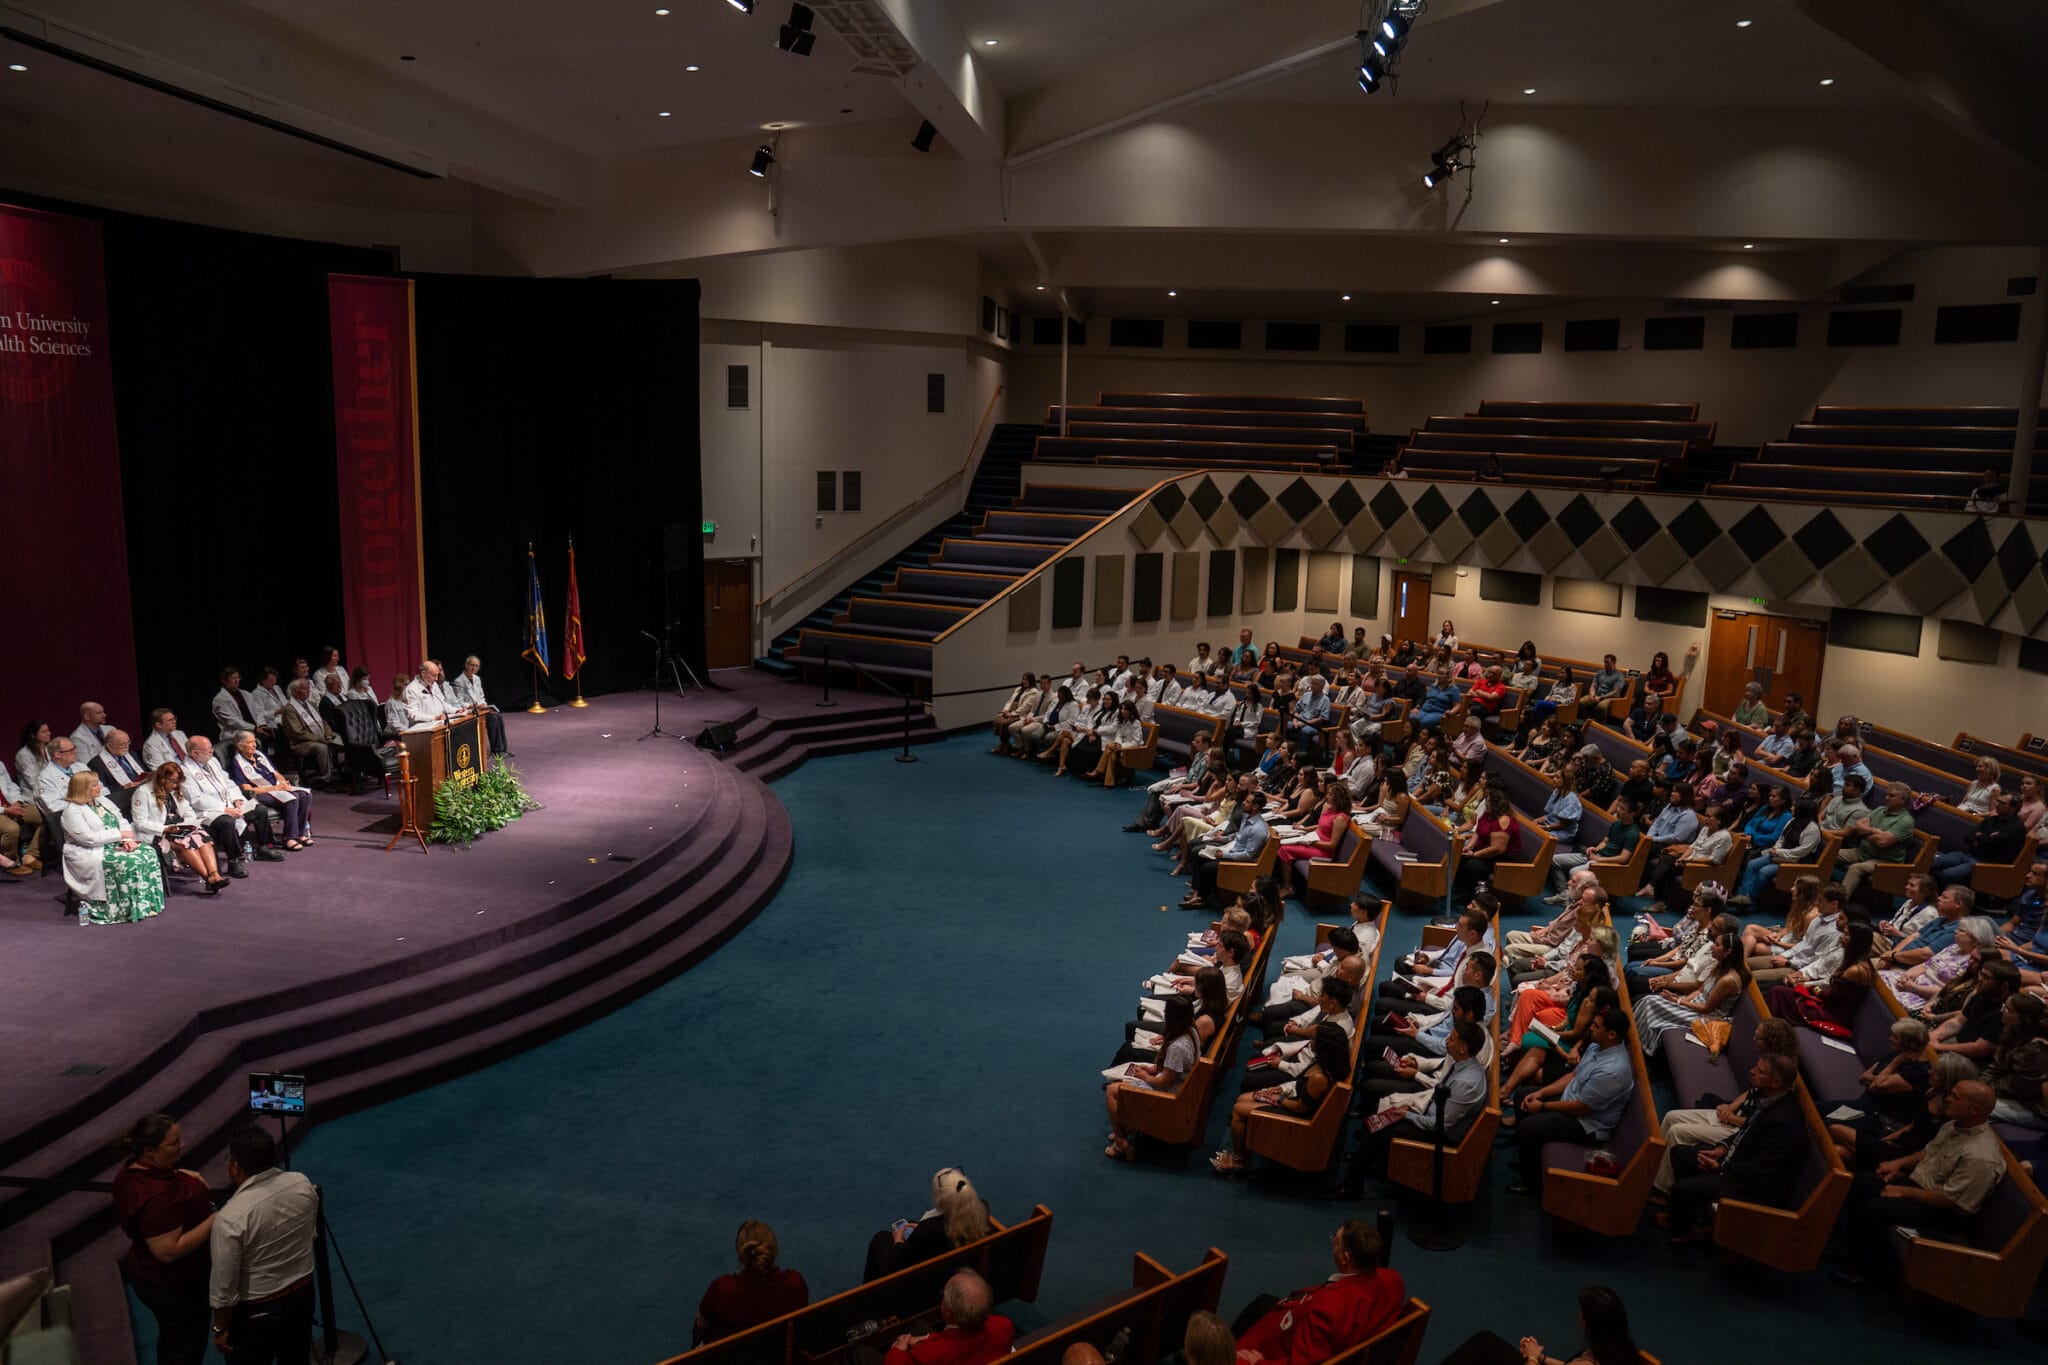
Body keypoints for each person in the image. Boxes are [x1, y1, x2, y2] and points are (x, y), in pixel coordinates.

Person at [1833, 1079, 2005, 1286]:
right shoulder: (1953, 1125)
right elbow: (1928, 1152)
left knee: (1874, 1209)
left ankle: (1872, 1273)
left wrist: (1903, 1191)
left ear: (1974, 1110)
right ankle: (1847, 1247)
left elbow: (1950, 1200)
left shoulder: (1980, 1156)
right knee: (1857, 1182)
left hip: (1944, 1211)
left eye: (1955, 1097)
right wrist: (1899, 1163)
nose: (1948, 1099)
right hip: (1921, 1185)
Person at [1657, 1054, 1806, 1244]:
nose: (1752, 1071)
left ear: (1776, 1081)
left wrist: (1721, 1168)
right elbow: (1746, 1131)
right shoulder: (1769, 1098)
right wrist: (1722, 1148)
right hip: (1737, 1162)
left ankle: (1687, 1229)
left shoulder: (1783, 1123)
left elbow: (1762, 1173)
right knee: (1680, 1153)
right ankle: (1687, 1212)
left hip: (1750, 1187)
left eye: (1759, 1071)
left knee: (1684, 1188)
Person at [209, 1125, 319, 1364]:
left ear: (235, 1167)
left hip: (258, 1313)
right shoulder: (301, 1183)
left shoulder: (230, 1217)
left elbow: (224, 1285)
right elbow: (311, 1234)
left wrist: (219, 1328)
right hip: (303, 1295)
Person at [111, 1113, 216, 1365]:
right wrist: (217, 1218)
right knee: (185, 1348)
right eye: (173, 1143)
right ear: (149, 1151)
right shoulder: (158, 1196)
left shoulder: (131, 1171)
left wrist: (178, 1173)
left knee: (172, 1340)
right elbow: (168, 1250)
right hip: (174, 1286)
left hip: (156, 1278)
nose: (182, 1145)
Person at [1230, 1221, 1405, 1364]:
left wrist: (1259, 1362)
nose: (1332, 1244)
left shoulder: (1325, 1310)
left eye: (1335, 1242)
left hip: (1281, 1346)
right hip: (1337, 1336)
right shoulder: (1393, 1279)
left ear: (1345, 1257)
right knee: (1263, 1302)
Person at [1507, 1007, 1636, 1199]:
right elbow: (1573, 1076)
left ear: (1611, 1034)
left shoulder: (1613, 1071)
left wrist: (1542, 1105)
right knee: (1523, 1095)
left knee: (1528, 1128)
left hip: (1588, 1126)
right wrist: (1542, 1093)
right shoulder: (1597, 1045)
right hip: (1574, 1100)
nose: (1591, 1028)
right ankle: (1529, 1159)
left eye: (1596, 1026)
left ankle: (1532, 1185)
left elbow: (1581, 1108)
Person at [1212, 1021, 1347, 1176]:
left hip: (1298, 1116)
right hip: (1294, 1100)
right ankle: (1246, 1149)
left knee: (1239, 1110)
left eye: (1314, 1040)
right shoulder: (1323, 1061)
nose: (1311, 1042)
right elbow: (1301, 1083)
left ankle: (1239, 1161)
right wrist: (1282, 1089)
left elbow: (1300, 1108)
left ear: (1324, 1046)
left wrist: (1279, 1099)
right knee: (1243, 1098)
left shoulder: (1320, 1078)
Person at [1438, 1285, 1641, 1365]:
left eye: (1582, 1313)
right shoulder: (1619, 1349)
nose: (1579, 1316)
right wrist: (1541, 1357)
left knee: (1482, 1349)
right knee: (1486, 1343)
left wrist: (1532, 1359)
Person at [62, 771, 165, 925]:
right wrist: (119, 835)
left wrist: (128, 838)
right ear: (83, 788)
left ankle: (145, 905)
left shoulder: (102, 800)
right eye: (95, 785)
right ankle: (121, 910)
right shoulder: (72, 812)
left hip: (115, 843)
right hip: (90, 851)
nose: (100, 787)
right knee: (128, 862)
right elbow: (89, 839)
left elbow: (121, 819)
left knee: (148, 852)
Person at [1107, 996, 1199, 1160]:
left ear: (1171, 1017)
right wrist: (1151, 1068)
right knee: (1126, 1078)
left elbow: (1165, 1082)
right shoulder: (1191, 1030)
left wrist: (1145, 1076)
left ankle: (1121, 1142)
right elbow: (1174, 1069)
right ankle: (1125, 1129)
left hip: (1171, 1096)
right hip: (1181, 1086)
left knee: (1112, 1090)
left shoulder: (1177, 1046)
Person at [862, 1167, 990, 1282]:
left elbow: (896, 1262)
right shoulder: (983, 1209)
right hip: (965, 1266)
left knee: (881, 1238)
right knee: (912, 1223)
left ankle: (869, 1296)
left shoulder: (929, 1229)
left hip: (929, 1285)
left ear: (940, 1201)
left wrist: (898, 1240)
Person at [694, 1220, 808, 1345]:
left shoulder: (722, 1288)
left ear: (741, 1253)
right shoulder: (795, 1282)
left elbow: (700, 1326)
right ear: (773, 1249)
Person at [875, 1268, 1012, 1365]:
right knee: (916, 1325)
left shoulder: (928, 1356)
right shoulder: (1004, 1325)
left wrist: (898, 1349)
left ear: (949, 1315)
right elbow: (959, 1339)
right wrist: (928, 1338)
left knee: (858, 1352)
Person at [132, 762, 230, 893]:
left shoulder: (173, 791)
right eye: (172, 781)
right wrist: (165, 829)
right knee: (186, 843)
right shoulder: (143, 792)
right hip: (159, 832)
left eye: (177, 782)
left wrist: (188, 823)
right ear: (162, 778)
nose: (175, 785)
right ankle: (209, 879)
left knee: (203, 837)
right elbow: (140, 822)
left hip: (178, 828)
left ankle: (215, 876)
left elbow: (187, 811)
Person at [184, 736, 281, 865]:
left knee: (260, 810)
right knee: (227, 821)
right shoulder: (185, 771)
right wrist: (225, 809)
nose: (212, 751)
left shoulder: (213, 761)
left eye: (211, 748)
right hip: (209, 811)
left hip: (230, 803)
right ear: (194, 753)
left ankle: (264, 848)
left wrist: (237, 799)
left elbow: (228, 782)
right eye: (207, 749)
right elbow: (196, 799)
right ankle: (233, 861)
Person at [229, 731, 313, 851]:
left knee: (306, 795)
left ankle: (300, 834)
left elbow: (276, 773)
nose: (254, 745)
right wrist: (275, 788)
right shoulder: (237, 763)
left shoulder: (259, 755)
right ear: (240, 745)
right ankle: (289, 838)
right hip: (258, 794)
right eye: (249, 742)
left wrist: (283, 783)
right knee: (292, 798)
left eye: (254, 741)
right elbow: (247, 789)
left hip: (276, 788)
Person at [1931, 791, 2028, 887]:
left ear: (2014, 808)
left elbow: (1991, 842)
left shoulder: (2016, 827)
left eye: (2002, 803)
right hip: (1969, 855)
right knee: (1930, 863)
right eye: (1997, 801)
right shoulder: (1992, 820)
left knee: (1947, 874)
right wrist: (1985, 837)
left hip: (1986, 864)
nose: (1997, 804)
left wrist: (1980, 837)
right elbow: (1968, 836)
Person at [1839, 781, 1918, 898]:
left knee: (1855, 868)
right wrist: (1876, 832)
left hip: (1884, 861)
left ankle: (1838, 902)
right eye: (1887, 794)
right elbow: (1857, 827)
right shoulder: (1880, 810)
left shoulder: (1906, 821)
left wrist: (1867, 830)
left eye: (1891, 796)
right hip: (1861, 853)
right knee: (1831, 852)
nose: (1886, 798)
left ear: (1903, 800)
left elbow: (1883, 842)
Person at [278, 679, 342, 787]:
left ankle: (349, 771)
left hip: (320, 737)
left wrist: (329, 734)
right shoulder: (289, 709)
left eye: (308, 688)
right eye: (304, 689)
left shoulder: (311, 704)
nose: (308, 691)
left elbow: (323, 722)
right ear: (295, 692)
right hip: (301, 743)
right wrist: (321, 739)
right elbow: (298, 733)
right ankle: (327, 779)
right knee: (321, 747)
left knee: (342, 737)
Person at [447, 654, 511, 756]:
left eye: (476, 666)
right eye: (471, 665)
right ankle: (497, 750)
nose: (474, 668)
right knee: (492, 719)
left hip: (481, 709)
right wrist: (475, 706)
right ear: (466, 665)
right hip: (470, 711)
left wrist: (485, 706)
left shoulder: (477, 679)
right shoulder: (459, 681)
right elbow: (459, 702)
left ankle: (503, 748)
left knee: (498, 716)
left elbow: (481, 696)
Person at [87, 729, 154, 815]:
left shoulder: (132, 755)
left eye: (128, 742)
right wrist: (123, 787)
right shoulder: (96, 764)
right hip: (123, 801)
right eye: (122, 744)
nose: (127, 747)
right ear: (109, 745)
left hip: (144, 792)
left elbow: (143, 771)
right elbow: (102, 789)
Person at [211, 667, 271, 745]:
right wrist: (254, 728)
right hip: (235, 732)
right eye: (233, 678)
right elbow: (232, 721)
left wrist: (261, 724)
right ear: (224, 680)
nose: (237, 681)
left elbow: (257, 710)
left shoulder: (246, 694)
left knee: (273, 734)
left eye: (238, 677)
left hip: (254, 729)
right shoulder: (219, 699)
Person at [989, 673, 1042, 755]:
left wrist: (1012, 714)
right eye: (1023, 679)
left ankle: (1003, 745)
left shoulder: (1033, 691)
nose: (1024, 681)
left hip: (1020, 714)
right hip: (1010, 711)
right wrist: (1005, 710)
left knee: (1004, 723)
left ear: (1031, 681)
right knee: (996, 720)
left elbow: (1025, 707)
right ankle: (1006, 744)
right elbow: (1010, 701)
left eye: (1026, 680)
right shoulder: (1018, 689)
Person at [69, 700, 112, 765]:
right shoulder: (77, 738)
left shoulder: (111, 729)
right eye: (99, 713)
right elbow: (86, 764)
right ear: (87, 717)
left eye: (103, 712)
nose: (104, 715)